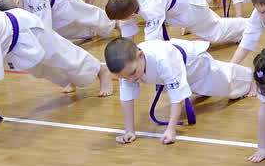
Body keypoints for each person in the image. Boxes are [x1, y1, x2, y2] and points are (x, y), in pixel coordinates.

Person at [0, 7, 111, 145]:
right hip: (10, 44)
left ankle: (101, 72)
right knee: (43, 71)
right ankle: (72, 79)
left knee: (62, 54)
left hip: (26, 28)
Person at [104, 37, 253, 144]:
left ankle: (250, 76)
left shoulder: (163, 60)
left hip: (196, 65)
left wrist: (171, 129)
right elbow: (127, 99)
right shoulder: (129, 67)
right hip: (180, 70)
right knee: (203, 89)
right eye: (124, 77)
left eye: (132, 74)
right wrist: (129, 130)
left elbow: (176, 97)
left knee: (228, 86)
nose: (130, 80)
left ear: (140, 55)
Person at [106, 0, 245, 45]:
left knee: (215, 33)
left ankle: (248, 25)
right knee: (214, 25)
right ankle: (238, 35)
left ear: (130, 15)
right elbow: (127, 30)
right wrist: (128, 51)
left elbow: (152, 42)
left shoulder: (150, 7)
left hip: (189, 4)